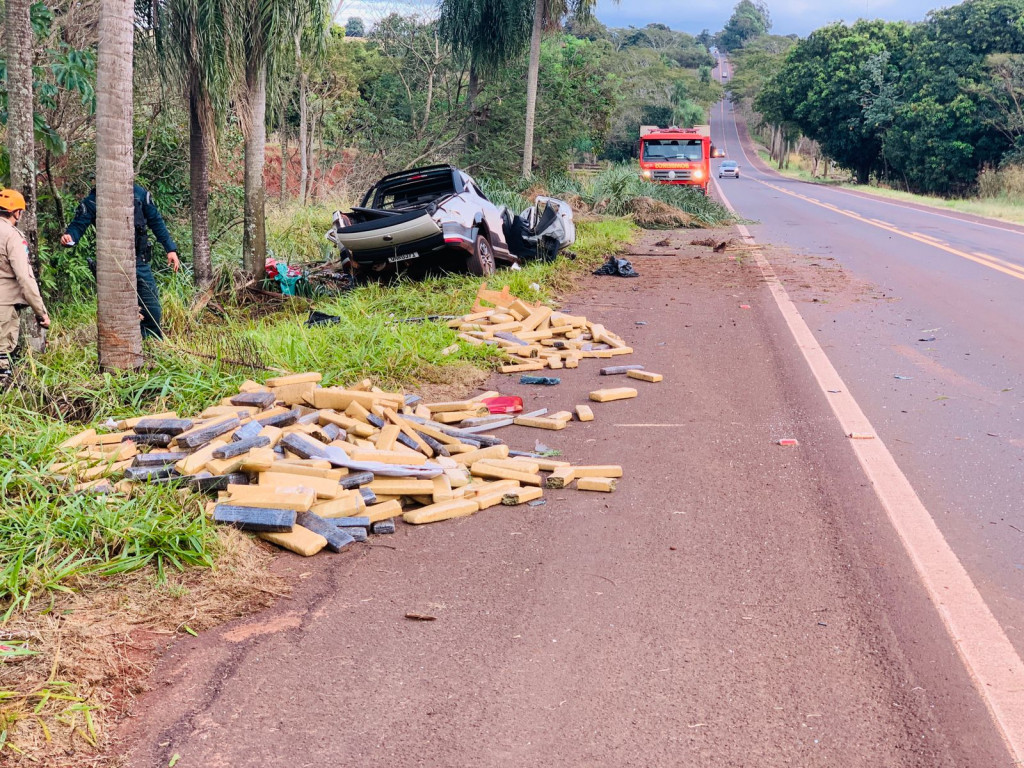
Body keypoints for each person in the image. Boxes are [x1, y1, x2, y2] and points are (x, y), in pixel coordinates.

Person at [61, 183, 180, 339]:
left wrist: (170, 248)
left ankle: (150, 343)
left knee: (152, 309)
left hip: (139, 261)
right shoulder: (95, 199)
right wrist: (70, 237)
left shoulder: (139, 194)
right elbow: (79, 224)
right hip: (112, 265)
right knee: (118, 313)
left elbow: (156, 222)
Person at [0, 189, 50, 383]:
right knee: (2, 361)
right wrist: (41, 312)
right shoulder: (11, 236)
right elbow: (25, 277)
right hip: (4, 306)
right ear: (16, 212)